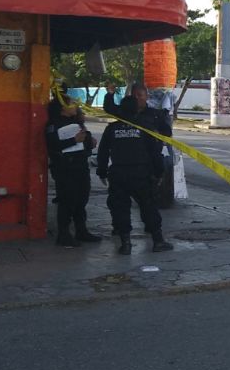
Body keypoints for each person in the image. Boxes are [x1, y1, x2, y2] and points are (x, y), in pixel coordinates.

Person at [97, 96, 173, 254]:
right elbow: (155, 152)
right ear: (136, 109)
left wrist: (102, 171)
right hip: (141, 174)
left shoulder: (112, 129)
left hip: (118, 173)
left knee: (120, 208)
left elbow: (103, 152)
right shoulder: (145, 127)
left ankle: (125, 243)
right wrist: (159, 173)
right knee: (148, 206)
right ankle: (157, 241)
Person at [44, 100, 102, 247]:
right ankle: (63, 234)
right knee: (67, 200)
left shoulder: (76, 122)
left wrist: (89, 141)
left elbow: (85, 139)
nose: (75, 105)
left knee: (82, 199)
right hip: (65, 168)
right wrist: (73, 140)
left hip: (80, 165)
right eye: (70, 103)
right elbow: (52, 145)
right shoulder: (53, 124)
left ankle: (81, 230)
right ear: (62, 108)